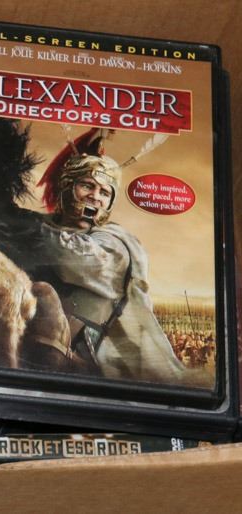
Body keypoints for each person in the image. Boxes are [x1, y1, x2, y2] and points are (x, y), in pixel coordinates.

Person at [34, 128, 189, 383]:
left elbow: (76, 260)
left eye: (104, 192)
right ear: (67, 186)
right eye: (87, 186)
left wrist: (26, 228)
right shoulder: (44, 226)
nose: (95, 197)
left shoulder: (115, 241)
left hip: (98, 362)